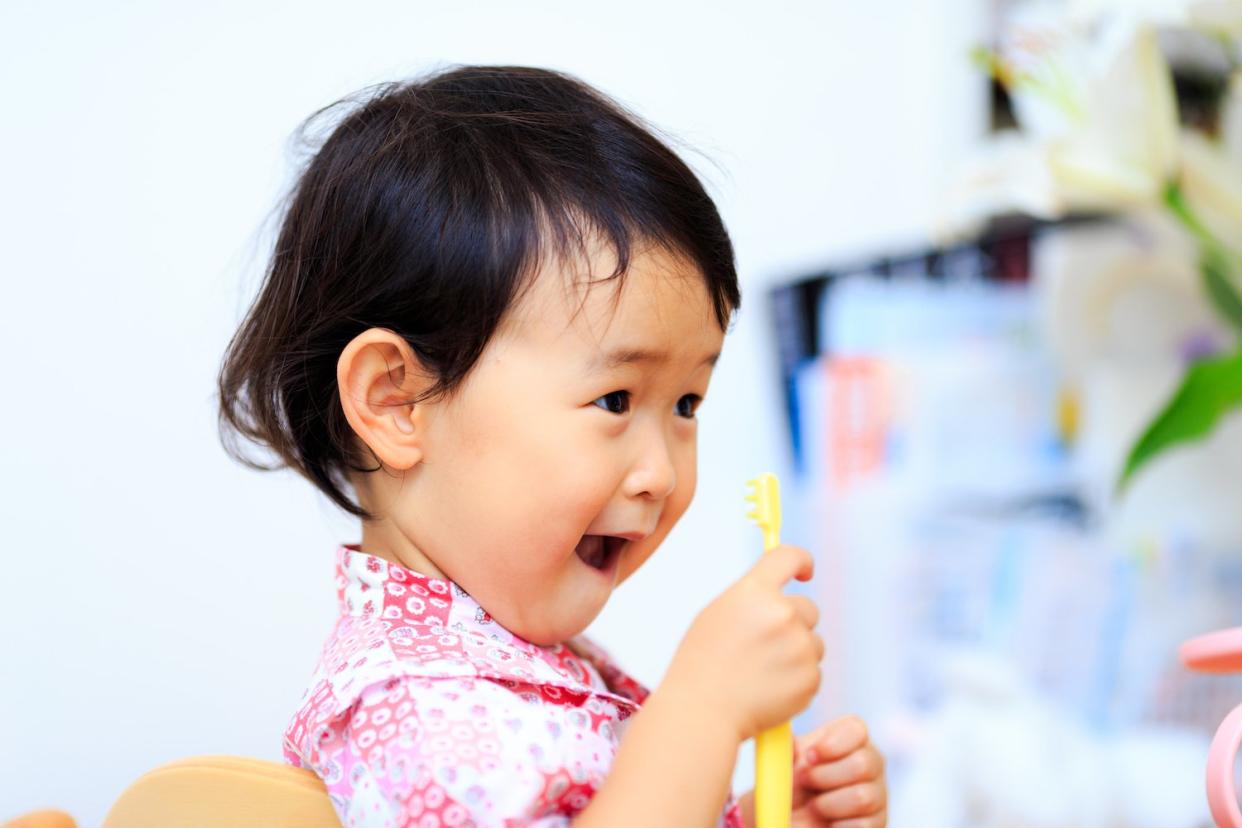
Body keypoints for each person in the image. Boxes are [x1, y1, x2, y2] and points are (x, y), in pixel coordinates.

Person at [217, 64, 887, 828]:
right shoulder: (408, 705)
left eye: (687, 404)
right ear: (396, 401)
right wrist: (700, 709)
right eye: (614, 399)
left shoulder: (522, 665)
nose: (660, 473)